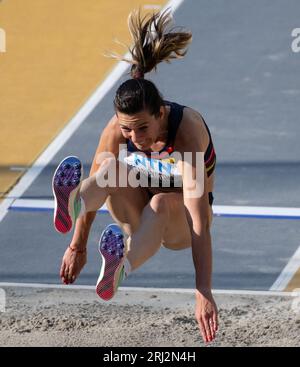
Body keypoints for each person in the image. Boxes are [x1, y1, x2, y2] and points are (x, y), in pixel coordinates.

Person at [52, 8, 218, 343]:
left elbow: (198, 222)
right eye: (128, 129)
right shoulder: (117, 129)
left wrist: (203, 289)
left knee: (159, 202)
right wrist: (77, 246)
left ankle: (123, 265)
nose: (136, 137)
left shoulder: (187, 133)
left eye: (143, 128)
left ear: (161, 114)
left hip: (178, 225)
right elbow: (107, 176)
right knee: (111, 169)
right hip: (132, 211)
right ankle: (75, 203)